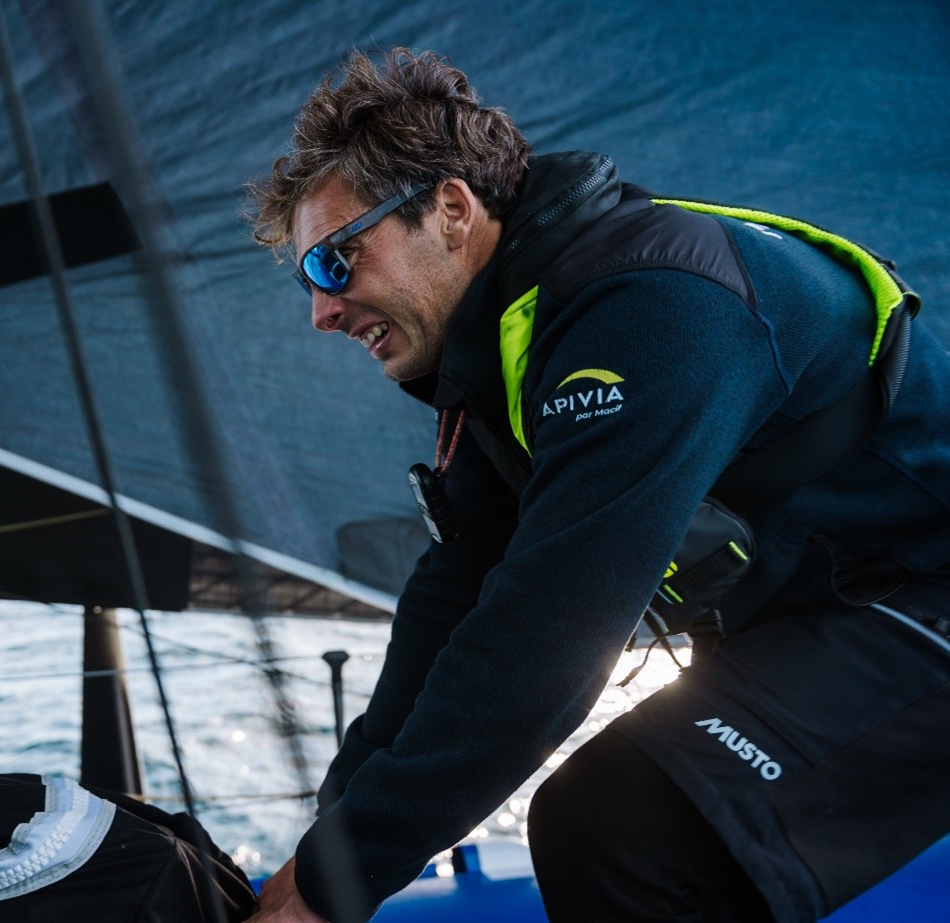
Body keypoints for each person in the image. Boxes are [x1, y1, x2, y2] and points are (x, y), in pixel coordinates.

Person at [245, 47, 950, 923]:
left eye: (335, 261)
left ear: (451, 210)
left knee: (619, 822)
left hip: (920, 599)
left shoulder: (648, 304)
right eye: (308, 280)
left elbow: (551, 627)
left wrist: (341, 878)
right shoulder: (511, 347)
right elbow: (457, 596)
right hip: (825, 616)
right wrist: (332, 836)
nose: (321, 311)